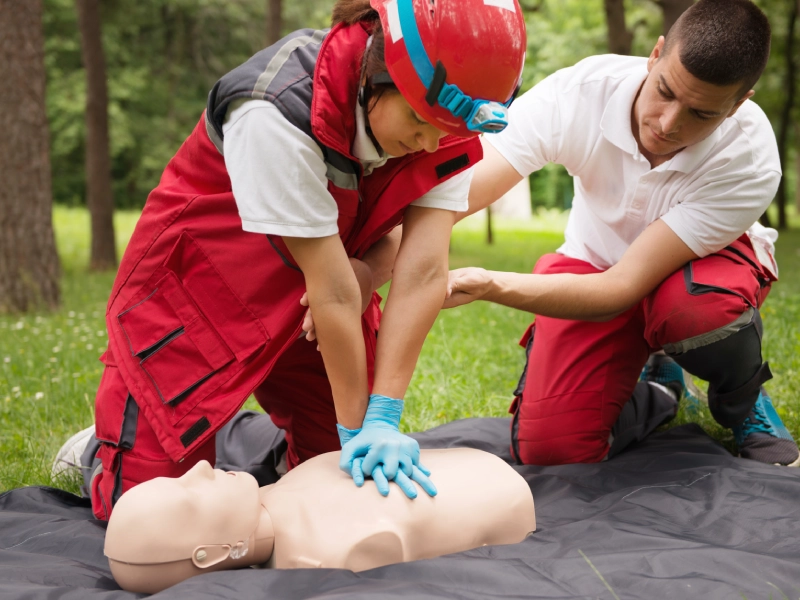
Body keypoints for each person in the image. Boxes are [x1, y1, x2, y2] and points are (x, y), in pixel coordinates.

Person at [75, 0, 526, 520]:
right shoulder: (273, 110)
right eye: (418, 121)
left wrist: (382, 418)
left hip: (315, 312)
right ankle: (96, 452)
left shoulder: (450, 116)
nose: (428, 144)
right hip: (196, 303)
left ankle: (256, 450)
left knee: (339, 482)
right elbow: (333, 290)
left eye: (444, 132)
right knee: (151, 518)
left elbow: (423, 268)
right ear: (378, 71)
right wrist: (357, 428)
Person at [444, 0, 799, 467]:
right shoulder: (579, 93)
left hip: (695, 274)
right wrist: (368, 259)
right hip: (595, 262)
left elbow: (622, 288)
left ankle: (741, 399)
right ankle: (660, 389)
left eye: (701, 114)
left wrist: (487, 283)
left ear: (738, 105)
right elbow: (453, 199)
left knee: (695, 310)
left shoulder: (750, 158)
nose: (668, 123)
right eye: (665, 91)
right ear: (654, 55)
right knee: (551, 449)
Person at [104, 449, 536, 593]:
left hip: (487, 478)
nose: (198, 467)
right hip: (505, 501)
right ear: (208, 555)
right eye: (189, 497)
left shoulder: (280, 492)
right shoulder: (327, 551)